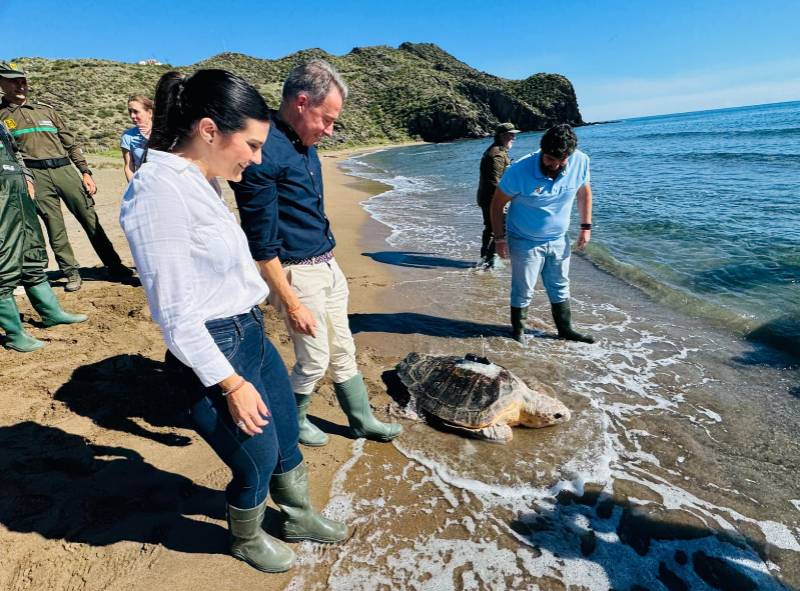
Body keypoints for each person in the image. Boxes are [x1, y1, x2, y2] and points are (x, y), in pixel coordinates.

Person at [120, 69, 347, 574]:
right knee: (256, 459)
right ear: (209, 130)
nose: (257, 159)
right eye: (251, 145)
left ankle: (297, 517)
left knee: (285, 434)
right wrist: (230, 384)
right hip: (213, 350)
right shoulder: (158, 192)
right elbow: (174, 315)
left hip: (248, 330)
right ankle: (245, 537)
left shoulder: (200, 179)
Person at [232, 60, 402, 447]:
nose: (329, 131)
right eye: (326, 119)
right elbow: (261, 244)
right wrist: (292, 303)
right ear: (301, 103)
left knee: (343, 348)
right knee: (313, 359)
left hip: (326, 263)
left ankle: (361, 419)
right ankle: (293, 421)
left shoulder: (305, 144)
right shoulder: (262, 151)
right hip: (295, 273)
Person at [0, 61, 133, 292]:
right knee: (55, 226)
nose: (20, 85)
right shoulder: (2, 117)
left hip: (65, 171)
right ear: (2, 84)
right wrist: (24, 180)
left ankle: (114, 264)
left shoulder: (46, 110)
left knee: (89, 219)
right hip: (35, 176)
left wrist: (85, 172)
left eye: (23, 81)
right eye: (14, 81)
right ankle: (71, 272)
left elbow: (70, 144)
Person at [491, 123, 595, 344]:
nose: (554, 165)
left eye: (561, 161)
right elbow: (496, 204)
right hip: (524, 240)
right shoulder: (519, 170)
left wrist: (586, 227)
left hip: (559, 238)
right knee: (524, 288)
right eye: (549, 159)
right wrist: (499, 239)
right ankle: (518, 332)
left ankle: (565, 330)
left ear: (570, 155)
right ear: (541, 150)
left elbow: (584, 192)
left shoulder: (581, 161)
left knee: (560, 285)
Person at [0, 119, 87, 352]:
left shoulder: (1, 125)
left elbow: (16, 154)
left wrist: (27, 178)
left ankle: (51, 313)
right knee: (4, 261)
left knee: (32, 253)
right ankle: (14, 334)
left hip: (18, 193)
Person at [476, 122, 519, 268]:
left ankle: (485, 261)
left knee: (492, 228)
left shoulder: (497, 151)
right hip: (493, 199)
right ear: (502, 136)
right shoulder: (497, 154)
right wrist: (506, 198)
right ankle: (487, 263)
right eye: (511, 135)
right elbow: (494, 182)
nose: (514, 138)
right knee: (497, 229)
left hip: (488, 197)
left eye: (514, 134)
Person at [121, 94, 153, 182]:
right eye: (130, 111)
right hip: (142, 184)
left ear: (150, 113)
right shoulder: (128, 136)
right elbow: (129, 166)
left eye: (136, 111)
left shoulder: (164, 132)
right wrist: (133, 187)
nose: (132, 116)